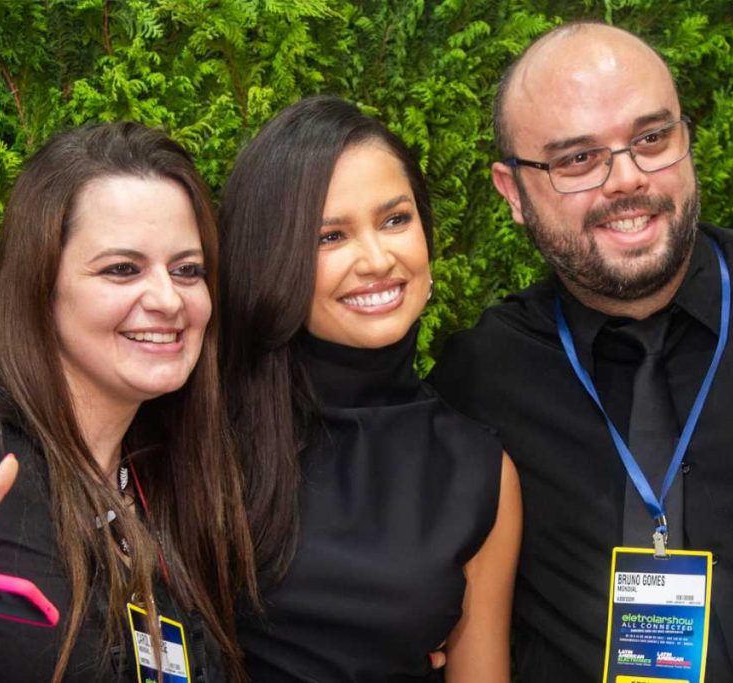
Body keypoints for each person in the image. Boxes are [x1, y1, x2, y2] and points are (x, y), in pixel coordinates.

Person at [429, 21, 733, 683]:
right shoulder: (478, 380)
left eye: (651, 138)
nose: (626, 177)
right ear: (512, 191)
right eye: (578, 158)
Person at [0, 122, 256, 682]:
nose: (168, 299)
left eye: (188, 270)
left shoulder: (178, 482)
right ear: (41, 283)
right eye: (121, 269)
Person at [219, 96, 522, 681]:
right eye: (330, 237)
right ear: (271, 260)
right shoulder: (198, 430)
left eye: (395, 220)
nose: (378, 258)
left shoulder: (479, 472)